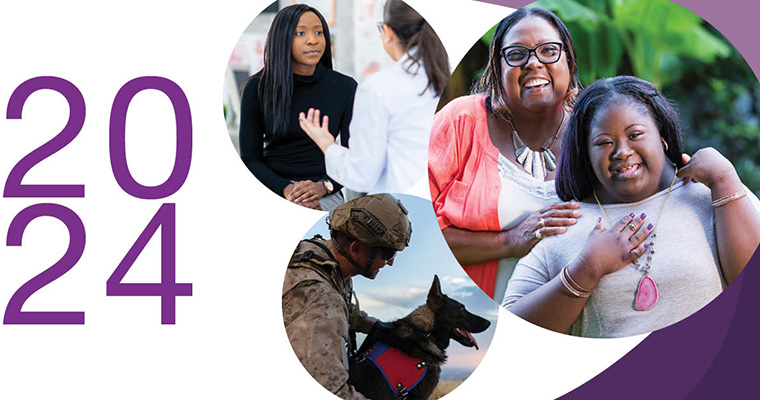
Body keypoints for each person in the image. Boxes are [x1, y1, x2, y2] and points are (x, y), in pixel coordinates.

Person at [502, 76, 760, 338]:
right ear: (586, 154)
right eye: (604, 142)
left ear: (661, 136)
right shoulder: (563, 222)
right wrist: (586, 271)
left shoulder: (715, 193)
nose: (622, 151)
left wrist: (724, 180)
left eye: (635, 134)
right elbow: (512, 335)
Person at [429, 7, 582, 301]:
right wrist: (509, 241)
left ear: (569, 61)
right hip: (479, 319)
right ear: (499, 68)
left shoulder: (593, 129)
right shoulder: (462, 120)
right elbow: (412, 226)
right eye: (516, 54)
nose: (533, 63)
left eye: (548, 50)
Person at [298, 0, 449, 194]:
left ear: (388, 33)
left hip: (401, 206)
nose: (312, 41)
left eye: (319, 32)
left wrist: (327, 145)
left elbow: (361, 176)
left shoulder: (378, 88)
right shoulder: (446, 74)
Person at [283, 193, 412, 399]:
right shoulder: (320, 300)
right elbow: (332, 391)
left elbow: (346, 308)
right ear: (356, 248)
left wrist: (378, 327)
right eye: (388, 254)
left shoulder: (322, 258)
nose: (390, 262)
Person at [239, 4, 357, 211]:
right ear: (283, 39)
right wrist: (287, 190)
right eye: (300, 33)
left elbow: (354, 157)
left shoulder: (346, 87)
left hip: (326, 187)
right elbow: (250, 158)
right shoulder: (256, 88)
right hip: (275, 187)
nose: (313, 40)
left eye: (319, 32)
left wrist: (324, 187)